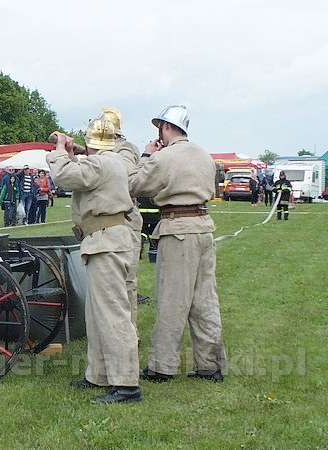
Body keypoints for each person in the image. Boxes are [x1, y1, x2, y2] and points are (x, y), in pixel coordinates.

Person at [130, 105, 226, 383]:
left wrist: (148, 154)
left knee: (172, 300)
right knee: (205, 300)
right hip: (204, 228)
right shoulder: (204, 155)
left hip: (178, 229)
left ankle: (162, 366)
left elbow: (136, 184)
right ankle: (210, 365)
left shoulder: (164, 157)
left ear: (166, 127)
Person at [47, 117, 140, 404]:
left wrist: (60, 150)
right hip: (107, 240)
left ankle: (126, 384)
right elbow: (82, 171)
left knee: (112, 314)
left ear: (91, 141)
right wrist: (73, 154)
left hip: (105, 242)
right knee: (98, 314)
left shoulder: (99, 164)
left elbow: (65, 176)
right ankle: (98, 375)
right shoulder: (110, 161)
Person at [102, 106, 144, 319]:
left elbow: (127, 176)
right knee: (106, 280)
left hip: (125, 218)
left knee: (126, 279)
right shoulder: (106, 150)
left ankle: (129, 331)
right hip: (105, 220)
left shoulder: (125, 149)